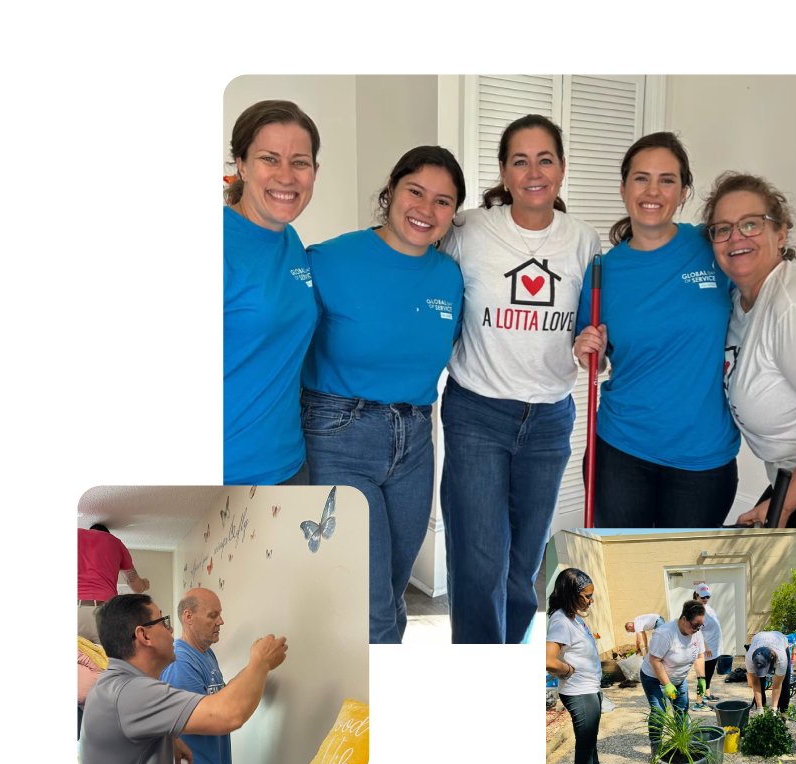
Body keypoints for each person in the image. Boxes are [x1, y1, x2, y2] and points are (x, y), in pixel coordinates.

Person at [439, 115, 601, 643]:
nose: (534, 172)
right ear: (505, 173)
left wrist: (589, 342)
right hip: (477, 414)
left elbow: (591, 324)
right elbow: (424, 287)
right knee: (479, 560)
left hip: (551, 419)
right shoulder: (467, 230)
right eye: (520, 160)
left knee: (525, 563)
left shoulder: (582, 240)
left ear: (561, 168)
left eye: (545, 159)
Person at [300, 147, 465, 644]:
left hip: (415, 437)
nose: (426, 209)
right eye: (416, 191)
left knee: (391, 592)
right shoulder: (327, 260)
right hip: (338, 435)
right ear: (391, 189)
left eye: (443, 201)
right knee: (370, 604)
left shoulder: (449, 276)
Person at [576, 133, 739, 527]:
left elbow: (755, 307)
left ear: (684, 191)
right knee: (625, 580)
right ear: (623, 188)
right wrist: (586, 353)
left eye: (667, 180)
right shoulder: (603, 271)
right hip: (620, 450)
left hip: (704, 458)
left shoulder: (711, 245)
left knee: (686, 586)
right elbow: (593, 361)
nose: (653, 190)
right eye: (641, 178)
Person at [701, 172, 796, 527]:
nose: (735, 237)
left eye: (751, 224)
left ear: (780, 232)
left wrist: (783, 505)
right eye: (722, 229)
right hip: (792, 482)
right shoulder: (738, 303)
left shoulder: (795, 306)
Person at [82, 594, 287, 764]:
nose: (170, 629)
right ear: (144, 636)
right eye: (163, 621)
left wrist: (167, 736)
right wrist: (260, 663)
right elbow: (228, 714)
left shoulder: (115, 684)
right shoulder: (130, 692)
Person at [224, 99, 322, 486]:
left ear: (314, 171)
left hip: (289, 463)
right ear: (242, 166)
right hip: (226, 479)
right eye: (269, 159)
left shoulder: (290, 239)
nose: (287, 176)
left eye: (299, 162)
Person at [546, 568, 622, 764]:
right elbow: (548, 660)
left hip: (590, 688)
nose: (591, 600)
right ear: (571, 594)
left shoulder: (572, 616)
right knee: (585, 744)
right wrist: (568, 671)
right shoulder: (560, 620)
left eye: (592, 594)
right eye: (587, 596)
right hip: (579, 692)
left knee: (591, 739)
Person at [158, 589, 230, 764]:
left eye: (220, 614)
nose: (220, 621)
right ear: (189, 617)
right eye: (213, 615)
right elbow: (209, 719)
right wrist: (256, 667)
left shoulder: (206, 653)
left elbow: (218, 700)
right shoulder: (180, 661)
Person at [642, 600, 707, 741]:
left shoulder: (697, 633)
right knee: (659, 712)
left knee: (682, 711)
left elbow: (700, 657)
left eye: (700, 626)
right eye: (695, 625)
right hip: (654, 677)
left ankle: (682, 742)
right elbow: (654, 661)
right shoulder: (665, 633)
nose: (697, 630)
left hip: (678, 678)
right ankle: (656, 746)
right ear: (684, 619)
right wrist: (666, 684)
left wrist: (702, 679)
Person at [78, 524, 151, 645]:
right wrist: (144, 584)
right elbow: (137, 587)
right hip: (105, 614)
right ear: (107, 534)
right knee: (108, 663)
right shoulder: (115, 543)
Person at [745, 630, 791, 714]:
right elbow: (755, 683)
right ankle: (761, 711)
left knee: (784, 683)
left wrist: (773, 708)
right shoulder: (749, 657)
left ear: (772, 659)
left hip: (780, 642)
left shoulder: (781, 658)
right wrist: (759, 707)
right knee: (760, 682)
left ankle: (783, 713)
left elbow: (777, 686)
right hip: (759, 639)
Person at [694, 584, 724, 708]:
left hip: (715, 646)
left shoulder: (707, 607)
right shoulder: (697, 611)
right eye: (702, 597)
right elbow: (697, 630)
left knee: (710, 673)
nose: (705, 599)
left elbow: (716, 623)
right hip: (707, 648)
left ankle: (706, 694)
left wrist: (721, 640)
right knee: (703, 675)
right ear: (696, 596)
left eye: (707, 597)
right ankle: (698, 703)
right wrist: (705, 646)